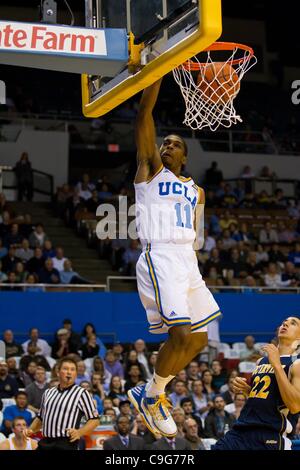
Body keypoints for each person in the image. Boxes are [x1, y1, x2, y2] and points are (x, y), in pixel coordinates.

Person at [128, 79, 221, 438]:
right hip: (160, 256)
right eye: (164, 142)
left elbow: (197, 232)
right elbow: (142, 117)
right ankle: (153, 395)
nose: (167, 146)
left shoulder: (197, 190)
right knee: (180, 334)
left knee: (199, 339)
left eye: (175, 144)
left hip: (186, 260)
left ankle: (151, 392)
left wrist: (193, 260)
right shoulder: (149, 169)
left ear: (185, 155)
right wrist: (157, 74)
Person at [212, 316, 300, 450]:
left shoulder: (296, 364)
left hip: (269, 434)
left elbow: (295, 406)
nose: (285, 324)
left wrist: (277, 365)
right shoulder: (261, 361)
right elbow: (268, 397)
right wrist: (248, 390)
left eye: (293, 323)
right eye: (284, 322)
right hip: (241, 429)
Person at [24, 357, 100, 450]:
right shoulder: (48, 392)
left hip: (65, 443)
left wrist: (79, 432)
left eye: (72, 370)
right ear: (58, 372)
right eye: (65, 369)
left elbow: (95, 420)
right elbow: (41, 417)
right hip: (46, 440)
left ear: (75, 374)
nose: (69, 372)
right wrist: (31, 430)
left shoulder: (82, 393)